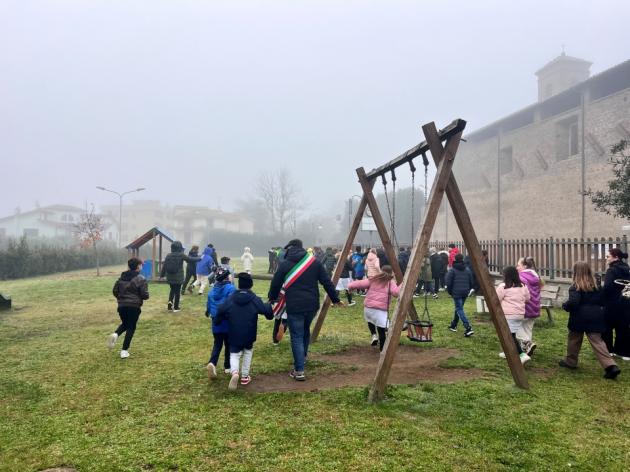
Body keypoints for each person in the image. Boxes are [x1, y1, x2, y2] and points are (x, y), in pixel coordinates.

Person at [268, 239, 342, 381]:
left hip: (294, 305)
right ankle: (303, 357)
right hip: (312, 305)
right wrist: (335, 299)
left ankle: (299, 370)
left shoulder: (285, 264)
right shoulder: (314, 262)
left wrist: (272, 298)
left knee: (296, 336)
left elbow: (275, 283)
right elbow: (326, 281)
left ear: (289, 249)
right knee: (305, 330)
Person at [559, 262, 620, 379]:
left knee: (574, 339)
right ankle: (611, 366)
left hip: (579, 317)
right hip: (596, 316)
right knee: (598, 342)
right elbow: (603, 301)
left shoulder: (575, 287)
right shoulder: (597, 286)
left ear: (575, 272)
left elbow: (574, 302)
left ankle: (571, 361)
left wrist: (565, 306)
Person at [216, 273, 274, 390]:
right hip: (249, 333)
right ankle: (245, 376)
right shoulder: (254, 299)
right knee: (248, 351)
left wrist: (218, 319)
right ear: (251, 285)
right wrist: (269, 307)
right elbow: (266, 311)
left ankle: (234, 372)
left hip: (234, 332)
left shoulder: (231, 298)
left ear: (239, 284)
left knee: (234, 354)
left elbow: (221, 309)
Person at [348, 265, 400, 350]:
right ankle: (382, 350)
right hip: (380, 310)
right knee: (382, 331)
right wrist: (403, 284)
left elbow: (359, 283)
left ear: (381, 271)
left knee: (371, 321)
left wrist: (350, 287)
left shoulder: (373, 279)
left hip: (368, 309)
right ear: (391, 273)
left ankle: (374, 335)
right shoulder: (390, 282)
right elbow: (396, 293)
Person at [108, 257, 149, 359]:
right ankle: (124, 351)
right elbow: (145, 295)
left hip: (122, 306)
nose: (142, 266)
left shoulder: (121, 278)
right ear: (138, 266)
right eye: (141, 265)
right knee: (131, 327)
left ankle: (115, 334)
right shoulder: (141, 279)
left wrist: (121, 298)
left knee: (126, 324)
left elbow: (115, 291)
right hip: (134, 307)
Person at [496, 266, 531, 364]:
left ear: (505, 275)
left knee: (509, 336)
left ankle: (522, 355)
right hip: (520, 314)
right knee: (512, 334)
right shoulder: (523, 286)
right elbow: (528, 298)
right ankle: (507, 352)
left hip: (508, 315)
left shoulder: (503, 286)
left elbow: (496, 299)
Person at [206, 267, 236, 379]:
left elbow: (209, 306)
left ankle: (212, 362)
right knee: (228, 344)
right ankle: (227, 366)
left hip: (216, 321)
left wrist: (208, 311)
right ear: (226, 277)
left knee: (217, 344)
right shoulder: (231, 288)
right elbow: (233, 304)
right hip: (228, 321)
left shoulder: (212, 291)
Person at [602, 248, 630, 361]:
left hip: (611, 303)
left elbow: (607, 288)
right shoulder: (627, 269)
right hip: (625, 302)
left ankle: (608, 350)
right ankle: (623, 352)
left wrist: (601, 299)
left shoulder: (612, 270)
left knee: (607, 327)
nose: (606, 258)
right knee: (623, 328)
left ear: (616, 257)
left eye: (608, 256)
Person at [160, 241, 201, 311]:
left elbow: (164, 266)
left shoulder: (168, 255)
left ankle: (170, 305)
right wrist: (200, 258)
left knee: (172, 290)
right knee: (177, 292)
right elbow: (190, 259)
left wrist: (162, 275)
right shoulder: (181, 255)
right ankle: (176, 307)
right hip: (178, 278)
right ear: (179, 247)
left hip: (170, 277)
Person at [516, 256, 542, 356]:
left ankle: (528, 344)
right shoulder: (536, 276)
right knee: (527, 329)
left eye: (518, 265)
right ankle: (526, 350)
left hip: (525, 307)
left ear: (525, 266)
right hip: (535, 307)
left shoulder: (521, 277)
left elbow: (519, 292)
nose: (517, 267)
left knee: (514, 327)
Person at [446, 253, 474, 337]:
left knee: (459, 309)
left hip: (456, 292)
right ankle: (453, 325)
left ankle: (468, 328)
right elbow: (471, 281)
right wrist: (468, 290)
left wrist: (450, 292)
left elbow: (448, 283)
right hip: (465, 292)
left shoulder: (452, 270)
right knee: (459, 308)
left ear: (455, 259)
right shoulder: (467, 269)